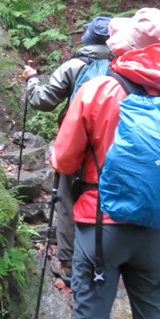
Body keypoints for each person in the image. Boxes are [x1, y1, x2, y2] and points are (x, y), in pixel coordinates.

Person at [50, 7, 160, 319]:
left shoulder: (100, 90)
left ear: (124, 48)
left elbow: (64, 159)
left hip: (102, 225)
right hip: (159, 230)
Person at [20, 15, 112, 286]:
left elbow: (43, 101)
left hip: (77, 144)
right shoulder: (124, 67)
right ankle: (108, 261)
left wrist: (32, 79)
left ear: (88, 39)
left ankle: (70, 264)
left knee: (66, 200)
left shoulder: (75, 66)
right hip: (113, 148)